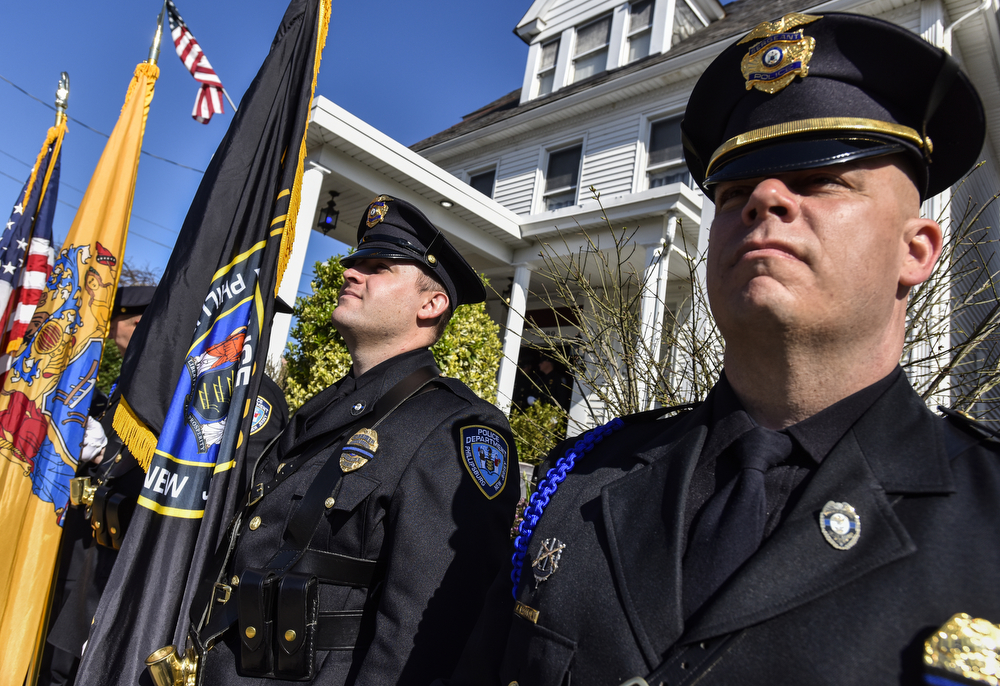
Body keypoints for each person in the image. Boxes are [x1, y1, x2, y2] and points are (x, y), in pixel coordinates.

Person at [445, 12, 1000, 686]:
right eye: (734, 191)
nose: (763, 197)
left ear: (915, 252)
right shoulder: (580, 479)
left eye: (821, 180)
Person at [188, 195, 518, 685]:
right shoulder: (323, 408)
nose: (349, 273)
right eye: (353, 262)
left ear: (431, 304)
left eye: (377, 267)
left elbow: (428, 634)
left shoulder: (455, 429)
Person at [40, 286, 289, 686]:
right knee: (65, 667)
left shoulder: (257, 397)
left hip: (165, 565)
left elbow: (227, 487)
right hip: (114, 547)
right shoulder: (185, 374)